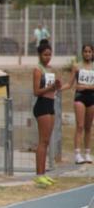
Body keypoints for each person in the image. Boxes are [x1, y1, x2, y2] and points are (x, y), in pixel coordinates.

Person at [32, 39, 62, 187]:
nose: (48, 57)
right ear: (39, 55)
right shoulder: (38, 70)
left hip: (51, 105)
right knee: (42, 141)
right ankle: (39, 175)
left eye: (50, 54)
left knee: (47, 141)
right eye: (45, 55)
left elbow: (55, 89)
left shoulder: (51, 69)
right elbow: (36, 91)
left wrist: (59, 86)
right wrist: (50, 88)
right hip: (42, 105)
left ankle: (43, 173)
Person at [65, 44, 94, 164]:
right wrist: (57, 88)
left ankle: (87, 153)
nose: (87, 53)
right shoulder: (77, 67)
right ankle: (77, 154)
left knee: (88, 127)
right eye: (85, 51)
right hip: (80, 98)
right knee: (80, 126)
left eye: (89, 51)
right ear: (82, 53)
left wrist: (84, 86)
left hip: (91, 98)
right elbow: (70, 84)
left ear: (92, 53)